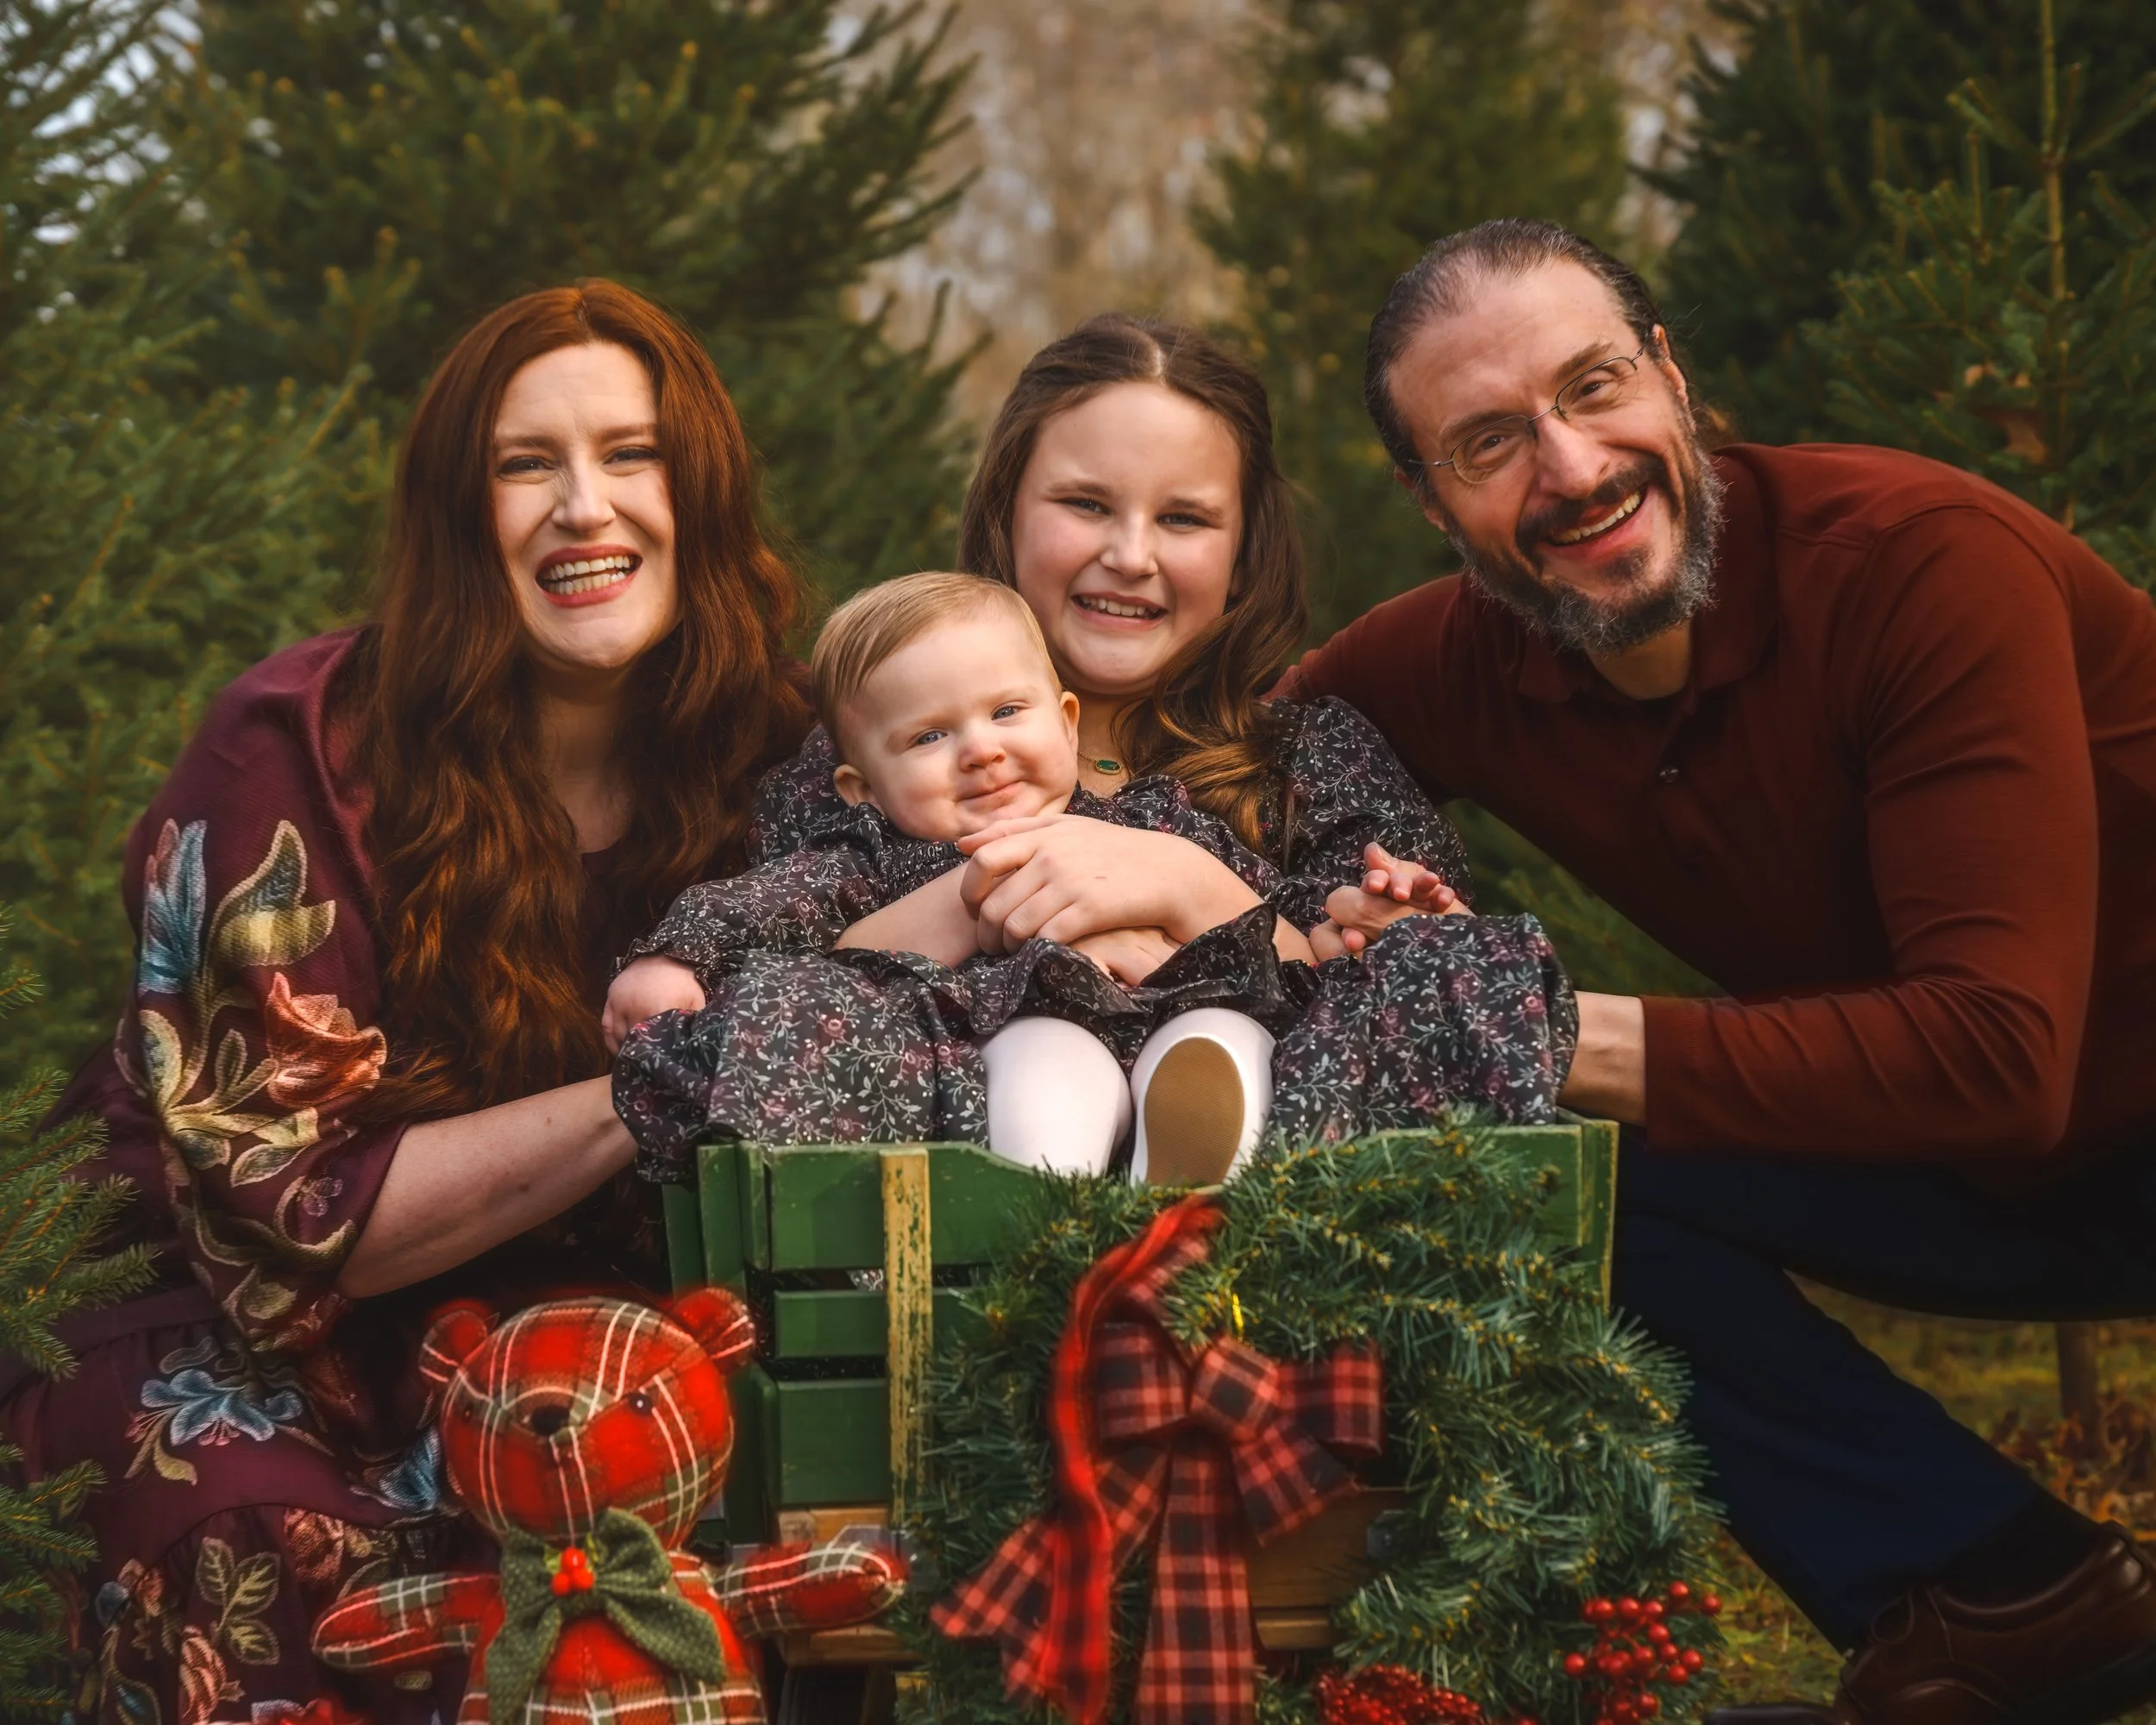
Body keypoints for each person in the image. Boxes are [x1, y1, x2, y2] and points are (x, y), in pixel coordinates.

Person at [1282, 217, 2156, 1724]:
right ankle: (1993, 1591)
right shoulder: (1451, 663)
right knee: (1530, 1170)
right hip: (2007, 1175)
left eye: (1597, 386)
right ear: (1432, 502)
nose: (1570, 468)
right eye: (1490, 442)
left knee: (1526, 1086)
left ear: (1674, 381)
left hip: (2077, 1101)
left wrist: (1518, 1029)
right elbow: (1213, 771)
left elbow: (2003, 1061)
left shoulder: (1918, 569)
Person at [0, 282, 813, 1723]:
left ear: (701, 488)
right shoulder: (301, 751)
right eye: (523, 465)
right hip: (229, 1328)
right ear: (456, 514)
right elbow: (306, 1223)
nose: (584, 506)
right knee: (285, 1549)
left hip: (570, 1346)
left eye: (632, 455)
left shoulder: (788, 756)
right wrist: (664, 1080)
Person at [611, 316, 1578, 1179]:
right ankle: (1025, 1219)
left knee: (1446, 980)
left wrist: (1193, 886)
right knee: (788, 1019)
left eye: (1184, 518)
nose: (1130, 554)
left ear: (1242, 556)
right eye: (1085, 504)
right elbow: (787, 961)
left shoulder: (1307, 762)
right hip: (962, 1135)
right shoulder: (875, 763)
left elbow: (1393, 990)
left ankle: (1189, 1186)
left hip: (1265, 1160)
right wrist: (973, 895)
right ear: (1005, 513)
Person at [608, 571, 1570, 1184]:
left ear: (1066, 724)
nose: (979, 751)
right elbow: (769, 919)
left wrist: (1341, 929)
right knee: (1035, 1069)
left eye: (1006, 711)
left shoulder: (1153, 824)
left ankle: (1191, 1181)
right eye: (930, 736)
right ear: (862, 784)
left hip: (1176, 1025)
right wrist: (674, 961)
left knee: (1226, 1034)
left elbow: (1269, 935)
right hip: (1022, 1036)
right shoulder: (866, 860)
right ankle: (1046, 1224)